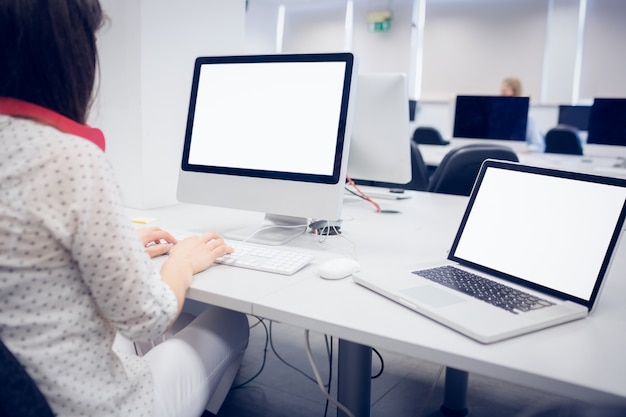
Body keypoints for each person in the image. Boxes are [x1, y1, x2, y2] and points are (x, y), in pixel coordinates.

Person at [0, 1, 249, 417]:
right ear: (68, 54)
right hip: (89, 406)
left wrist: (106, 247)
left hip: (20, 392)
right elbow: (148, 319)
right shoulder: (69, 157)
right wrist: (183, 262)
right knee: (230, 322)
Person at [500, 77, 545, 152]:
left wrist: (528, 150)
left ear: (515, 93)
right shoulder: (499, 116)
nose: (502, 95)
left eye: (505, 92)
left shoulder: (528, 117)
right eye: (501, 92)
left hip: (521, 156)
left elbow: (538, 146)